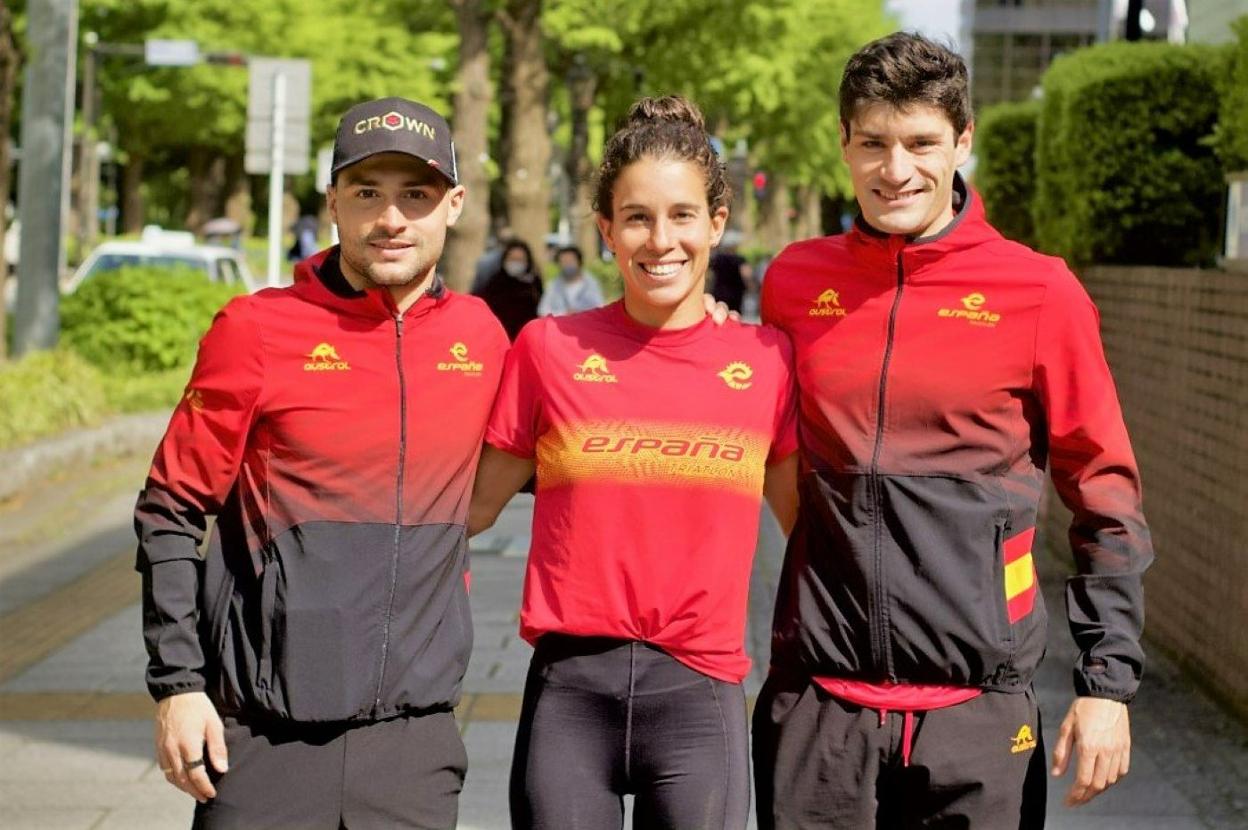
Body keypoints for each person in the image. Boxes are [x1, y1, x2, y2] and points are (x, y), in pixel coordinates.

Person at [750, 33, 1153, 829]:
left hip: (979, 715)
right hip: (819, 706)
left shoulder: (1039, 291)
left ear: (962, 140)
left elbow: (1104, 489)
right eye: (873, 144)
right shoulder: (796, 281)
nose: (895, 170)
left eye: (921, 143)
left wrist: (1107, 686)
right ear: (844, 144)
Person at [135, 96, 509, 829]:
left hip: (414, 744)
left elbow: (590, 422)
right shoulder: (257, 329)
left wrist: (704, 319)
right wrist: (178, 685)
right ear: (333, 200)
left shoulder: (483, 339)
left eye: (416, 195)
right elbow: (171, 507)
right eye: (367, 192)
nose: (391, 218)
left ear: (454, 205)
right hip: (261, 739)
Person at [469, 96, 799, 830]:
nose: (661, 240)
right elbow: (466, 510)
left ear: (717, 223)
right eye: (638, 217)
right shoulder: (548, 350)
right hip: (569, 695)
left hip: (700, 701)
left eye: (682, 215)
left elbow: (809, 533)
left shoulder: (766, 362)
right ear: (606, 230)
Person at [475, 238, 544, 341]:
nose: (515, 263)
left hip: (526, 340)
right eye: (512, 259)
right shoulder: (495, 283)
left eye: (520, 260)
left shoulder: (534, 285)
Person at [537, 244, 605, 316]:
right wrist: (564, 313)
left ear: (579, 262)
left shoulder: (591, 283)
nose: (567, 264)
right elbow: (542, 310)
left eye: (571, 261)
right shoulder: (553, 285)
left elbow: (599, 308)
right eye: (564, 261)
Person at [708, 233, 752, 313]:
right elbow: (746, 274)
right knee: (734, 314)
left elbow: (709, 273)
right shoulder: (740, 259)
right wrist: (750, 286)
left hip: (719, 291)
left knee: (718, 312)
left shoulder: (718, 258)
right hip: (736, 293)